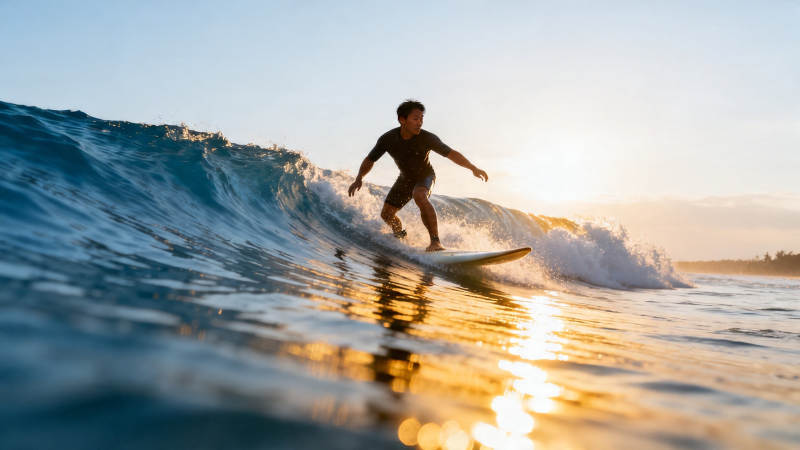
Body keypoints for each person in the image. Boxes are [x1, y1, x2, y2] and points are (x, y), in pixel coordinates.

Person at [348, 100, 488, 252]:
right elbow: (370, 159)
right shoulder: (388, 139)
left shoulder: (427, 138)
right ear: (402, 120)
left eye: (421, 118)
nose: (420, 122)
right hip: (405, 178)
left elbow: (451, 154)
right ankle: (400, 237)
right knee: (387, 214)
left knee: (419, 195)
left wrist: (473, 168)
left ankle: (435, 242)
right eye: (416, 118)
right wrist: (359, 178)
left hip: (425, 176)